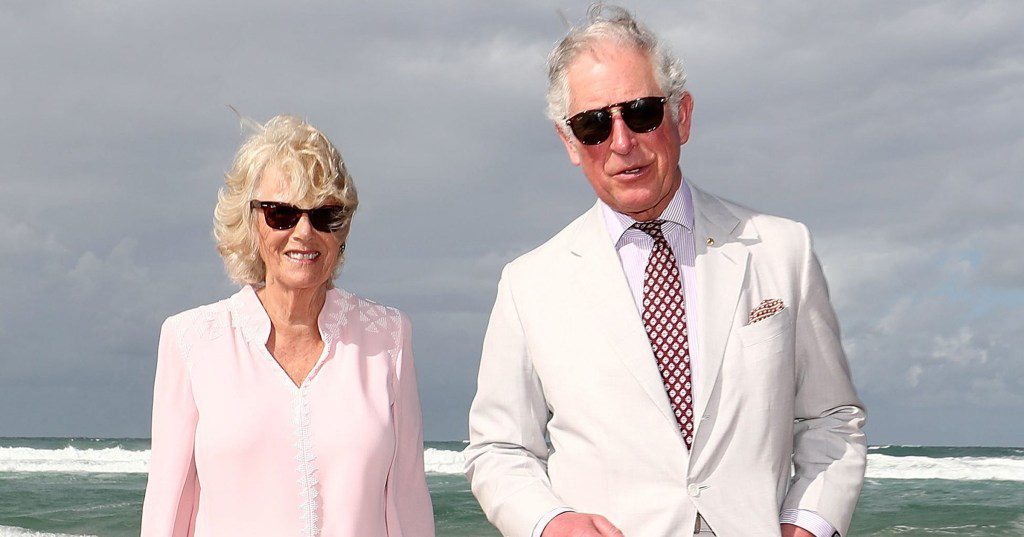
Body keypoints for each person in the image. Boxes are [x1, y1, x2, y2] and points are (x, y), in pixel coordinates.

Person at [464, 6, 866, 537]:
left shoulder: (781, 249)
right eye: (593, 125)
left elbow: (832, 420)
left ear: (683, 116)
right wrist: (549, 522)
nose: (622, 141)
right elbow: (499, 447)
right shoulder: (529, 284)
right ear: (569, 143)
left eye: (642, 112)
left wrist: (808, 525)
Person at [141, 115, 435, 536]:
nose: (304, 232)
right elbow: (166, 514)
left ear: (343, 226)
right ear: (250, 221)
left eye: (325, 215)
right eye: (281, 214)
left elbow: (408, 505)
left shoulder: (388, 337)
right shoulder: (190, 342)